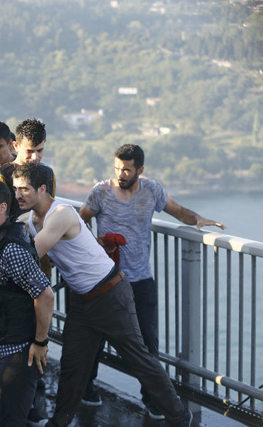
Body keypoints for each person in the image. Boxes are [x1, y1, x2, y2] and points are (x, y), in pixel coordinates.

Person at [10, 162, 194, 427]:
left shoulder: (60, 213)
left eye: (24, 189)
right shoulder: (29, 218)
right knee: (73, 368)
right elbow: (6, 227)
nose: (18, 195)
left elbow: (29, 257)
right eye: (16, 189)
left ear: (42, 189)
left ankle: (180, 417)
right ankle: (58, 423)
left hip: (110, 294)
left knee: (139, 360)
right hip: (82, 301)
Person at [78, 143, 225, 417]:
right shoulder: (100, 192)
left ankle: (152, 398)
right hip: (107, 281)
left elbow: (178, 211)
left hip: (141, 279)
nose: (121, 174)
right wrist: (94, 245)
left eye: (127, 169)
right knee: (96, 338)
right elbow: (80, 220)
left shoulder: (152, 190)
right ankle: (86, 386)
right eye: (117, 168)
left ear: (140, 170)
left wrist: (199, 219)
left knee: (148, 342)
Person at [0, 179, 54, 427]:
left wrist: (40, 342)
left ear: (2, 209)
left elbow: (45, 295)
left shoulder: (11, 249)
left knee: (11, 421)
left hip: (18, 351)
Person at [0, 118, 55, 217]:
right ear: (16, 146)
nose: (35, 157)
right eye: (29, 151)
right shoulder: (1, 178)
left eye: (39, 150)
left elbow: (51, 211)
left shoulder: (49, 174)